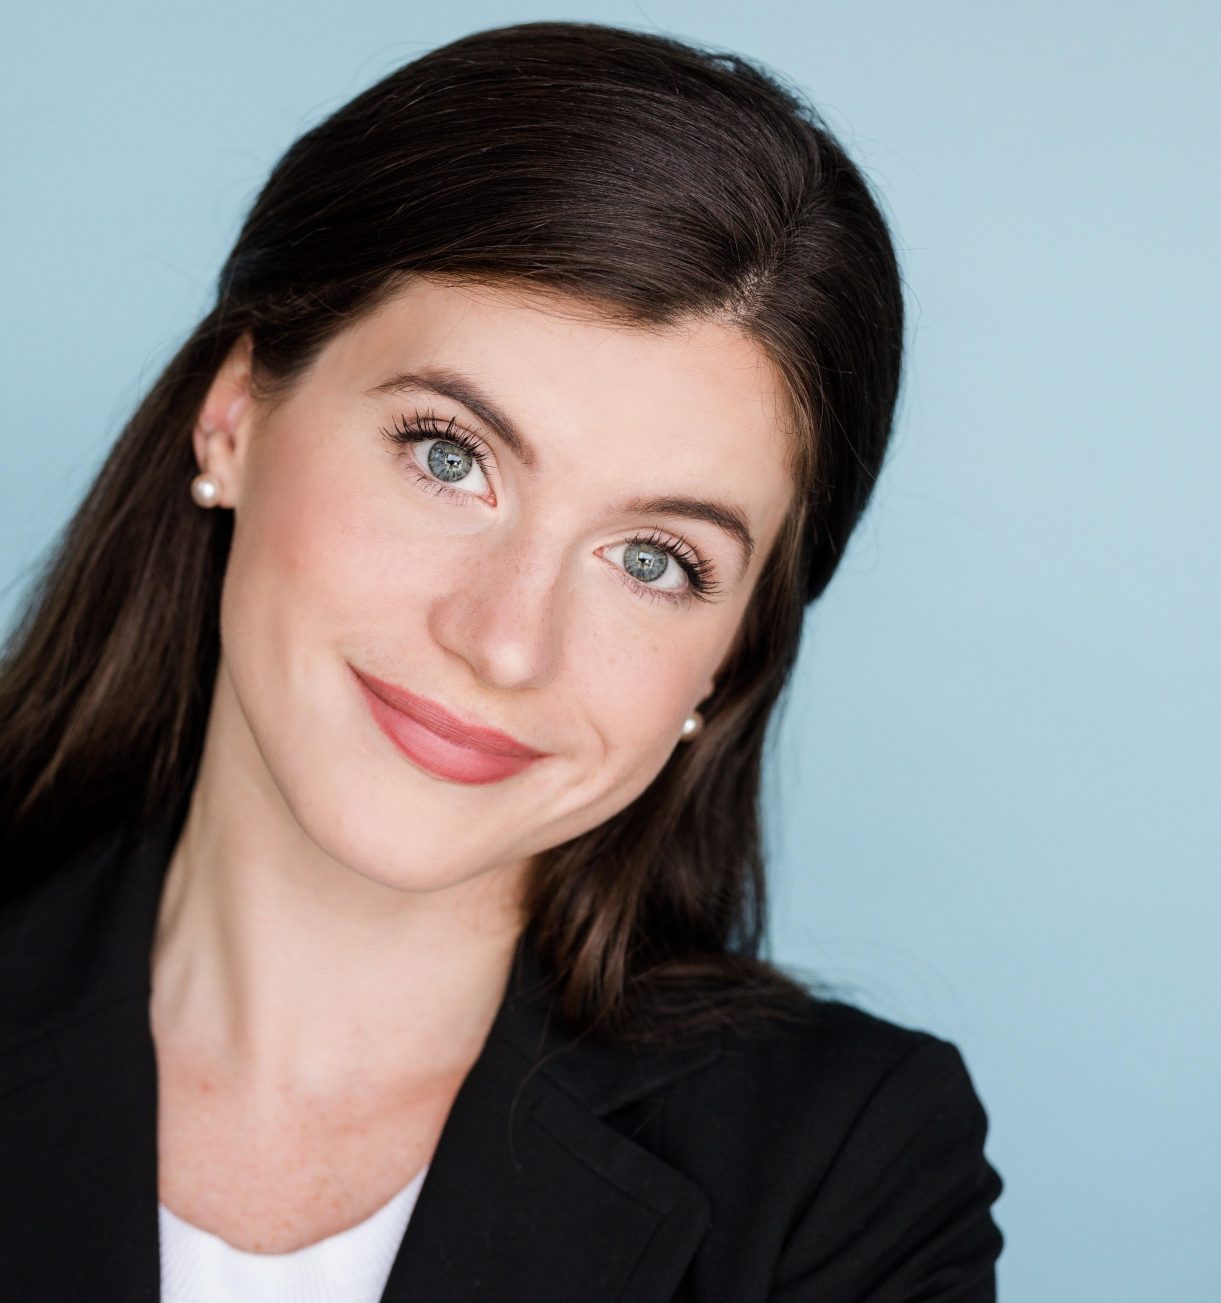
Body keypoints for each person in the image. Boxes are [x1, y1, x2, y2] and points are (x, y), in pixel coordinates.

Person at [0, 19, 1003, 1302]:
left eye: (652, 559)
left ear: (727, 658)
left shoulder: (843, 1176)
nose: (505, 641)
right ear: (236, 416)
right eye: (447, 455)